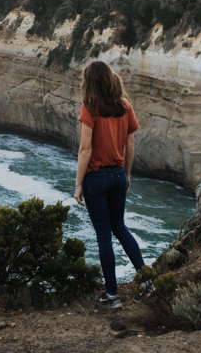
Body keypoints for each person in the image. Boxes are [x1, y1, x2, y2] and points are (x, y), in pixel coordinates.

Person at [73, 60, 146, 308]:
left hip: (96, 177)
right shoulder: (125, 106)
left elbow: (85, 150)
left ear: (91, 82)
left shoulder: (90, 108)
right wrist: (126, 175)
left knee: (104, 236)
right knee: (120, 228)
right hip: (117, 175)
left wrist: (78, 185)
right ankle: (147, 280)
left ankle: (112, 295)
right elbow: (131, 145)